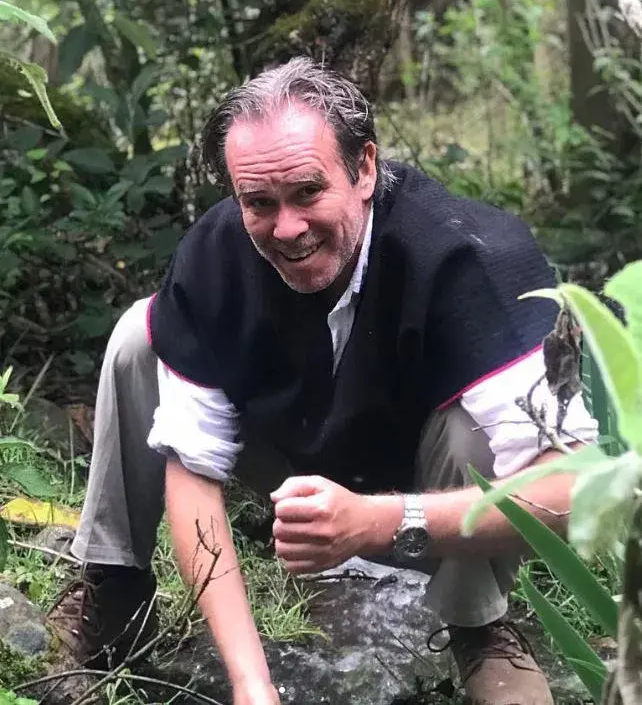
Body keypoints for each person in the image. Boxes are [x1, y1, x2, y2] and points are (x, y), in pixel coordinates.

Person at [48, 57, 597, 705]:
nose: (287, 228)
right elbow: (191, 471)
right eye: (259, 202)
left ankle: (476, 623)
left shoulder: (470, 262)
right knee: (139, 338)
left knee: (475, 428)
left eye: (308, 192)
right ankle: (113, 591)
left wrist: (379, 521)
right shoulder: (215, 255)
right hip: (293, 464)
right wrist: (253, 685)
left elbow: (570, 487)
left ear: (364, 168)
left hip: (421, 491)